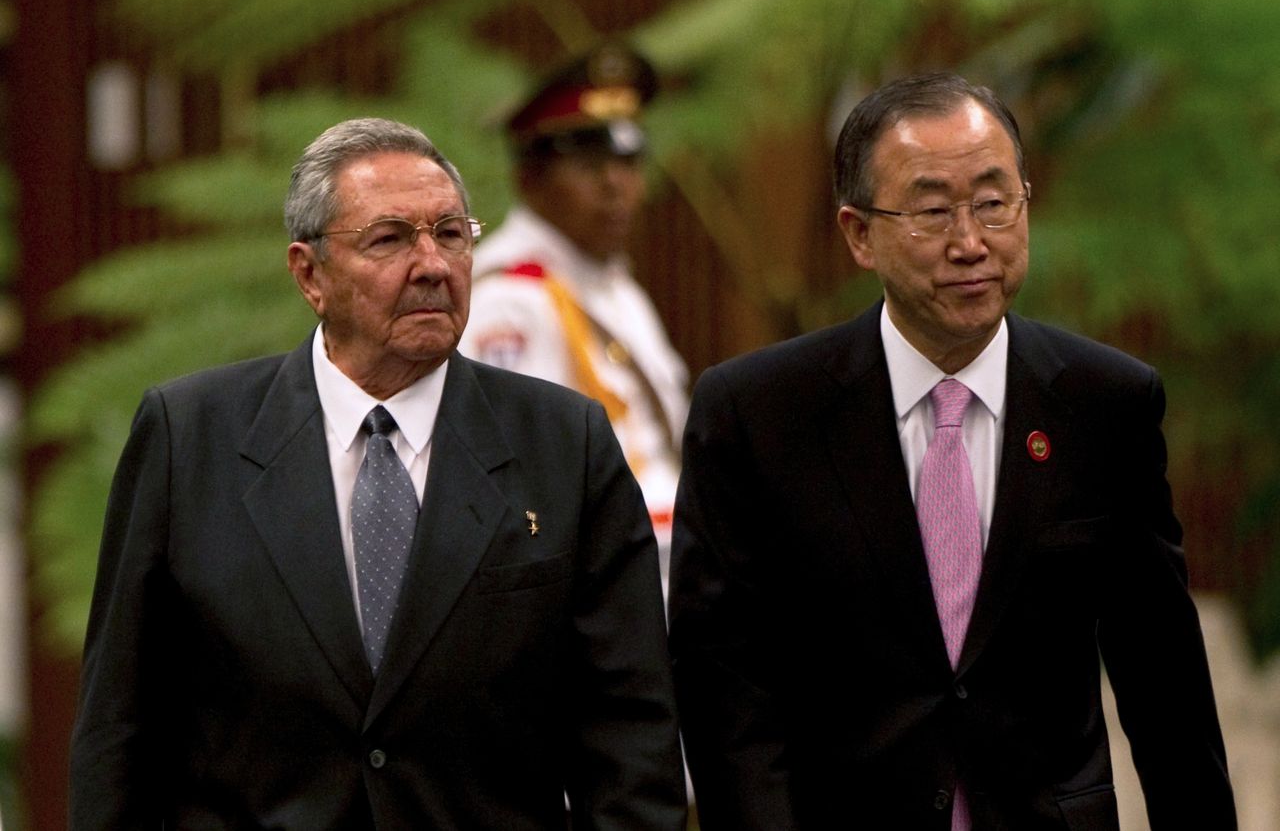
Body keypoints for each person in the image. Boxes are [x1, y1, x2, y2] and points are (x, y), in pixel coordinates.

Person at [68, 118, 687, 829]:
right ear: (309, 274)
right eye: (390, 239)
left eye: (451, 235)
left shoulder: (564, 442)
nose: (432, 264)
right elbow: (120, 726)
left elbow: (630, 736)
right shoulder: (190, 438)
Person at [667, 73, 1235, 830]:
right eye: (934, 212)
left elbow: (1162, 679)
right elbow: (725, 689)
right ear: (859, 234)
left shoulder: (1106, 404)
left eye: (995, 203)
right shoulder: (757, 413)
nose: (971, 243)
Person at [460, 41, 689, 594]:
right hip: (597, 590)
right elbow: (524, 493)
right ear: (529, 179)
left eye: (627, 162)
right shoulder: (511, 299)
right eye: (589, 165)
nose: (615, 186)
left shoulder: (611, 284)